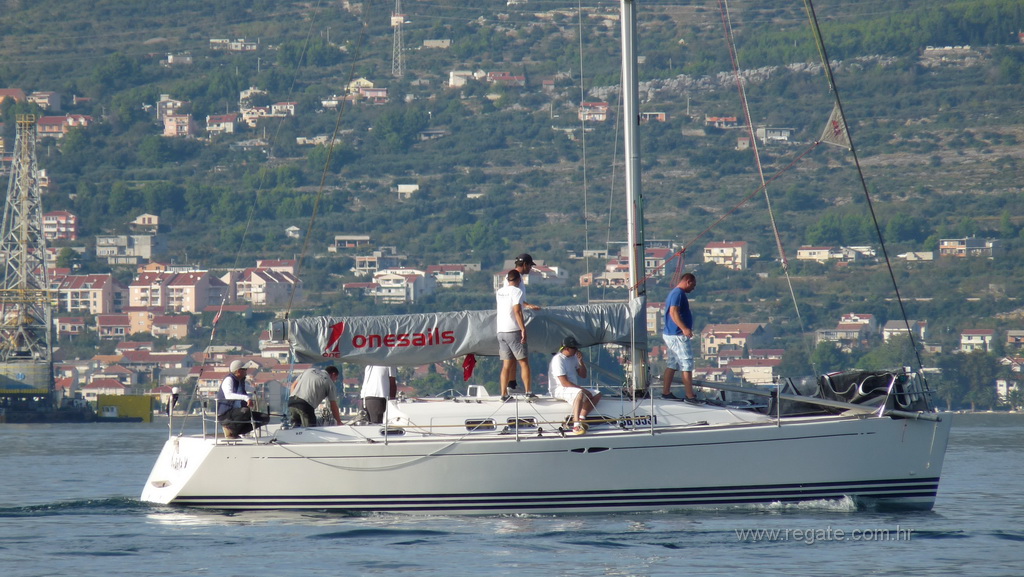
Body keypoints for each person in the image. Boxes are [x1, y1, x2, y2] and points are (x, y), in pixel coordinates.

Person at [549, 336, 602, 435]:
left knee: (597, 394)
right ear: (566, 348)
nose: (576, 350)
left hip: (571, 388)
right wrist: (582, 390)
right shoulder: (558, 359)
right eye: (574, 348)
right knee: (580, 393)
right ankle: (576, 424)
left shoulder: (574, 358)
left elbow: (583, 375)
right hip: (559, 389)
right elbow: (564, 382)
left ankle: (582, 418)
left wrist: (580, 361)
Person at [496, 269, 535, 400]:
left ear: (507, 280)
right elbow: (517, 311)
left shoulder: (499, 292)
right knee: (523, 362)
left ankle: (503, 394)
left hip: (501, 330)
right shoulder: (517, 291)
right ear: (519, 280)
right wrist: (523, 329)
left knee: (506, 365)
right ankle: (528, 392)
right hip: (513, 330)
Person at [661, 272, 699, 402]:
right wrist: (684, 328)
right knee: (686, 363)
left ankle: (666, 392)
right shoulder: (678, 293)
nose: (693, 288)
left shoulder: (675, 293)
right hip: (677, 335)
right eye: (693, 285)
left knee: (672, 363)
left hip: (671, 334)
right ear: (688, 281)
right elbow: (673, 311)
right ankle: (690, 395)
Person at [216, 360, 270, 438]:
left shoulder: (240, 381)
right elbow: (228, 395)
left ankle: (236, 432)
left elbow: (246, 388)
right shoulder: (229, 380)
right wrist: (247, 398)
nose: (246, 371)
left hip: (238, 413)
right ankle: (230, 430)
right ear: (238, 371)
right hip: (226, 414)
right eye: (244, 369)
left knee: (264, 418)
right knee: (245, 411)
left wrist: (255, 390)